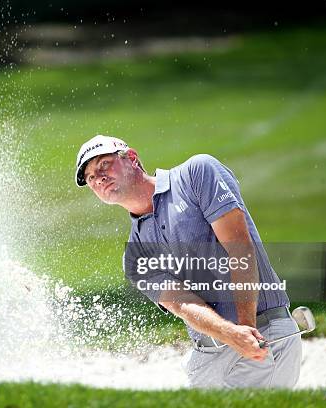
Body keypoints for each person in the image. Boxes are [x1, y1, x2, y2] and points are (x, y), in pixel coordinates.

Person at [74, 135, 302, 388]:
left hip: (263, 337)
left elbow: (240, 248)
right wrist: (231, 335)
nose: (98, 178)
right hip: (207, 358)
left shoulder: (196, 174)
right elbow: (183, 305)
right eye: (90, 177)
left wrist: (246, 330)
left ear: (132, 158)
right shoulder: (135, 256)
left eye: (104, 164)